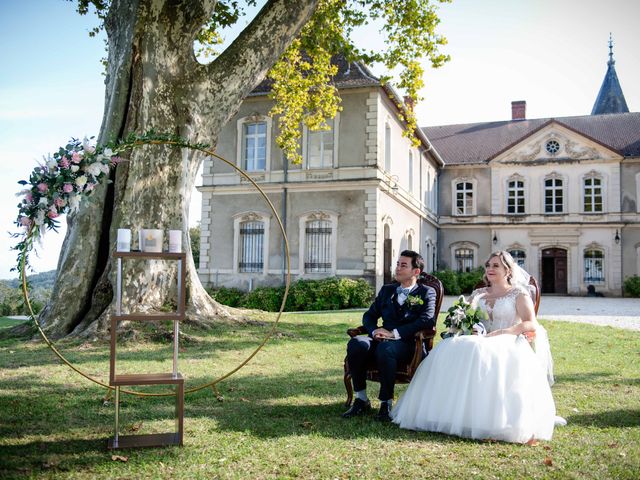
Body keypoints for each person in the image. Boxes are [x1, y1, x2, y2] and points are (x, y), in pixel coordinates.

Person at [391, 250, 561, 443]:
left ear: (508, 270)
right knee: (448, 347)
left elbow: (530, 324)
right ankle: (446, 414)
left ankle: (490, 419)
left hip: (507, 340)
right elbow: (465, 318)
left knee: (478, 351)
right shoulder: (478, 294)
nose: (490, 269)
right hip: (477, 338)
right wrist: (465, 327)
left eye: (496, 265)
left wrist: (504, 332)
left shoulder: (518, 294)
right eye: (488, 265)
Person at [342, 250, 437, 421]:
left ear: (416, 271)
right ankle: (361, 398)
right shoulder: (387, 290)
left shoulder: (427, 292)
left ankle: (385, 403)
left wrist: (394, 334)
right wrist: (374, 331)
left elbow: (427, 321)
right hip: (381, 338)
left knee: (387, 348)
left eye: (403, 265)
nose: (398, 268)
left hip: (409, 343)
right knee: (357, 343)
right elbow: (369, 316)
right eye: (398, 264)